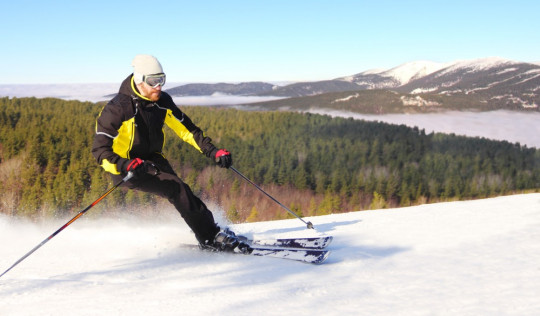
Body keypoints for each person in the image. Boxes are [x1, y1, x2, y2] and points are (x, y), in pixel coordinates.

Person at [92, 54, 240, 251]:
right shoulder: (118, 109)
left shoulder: (162, 101)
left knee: (182, 191)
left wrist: (213, 151)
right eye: (154, 81)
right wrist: (124, 165)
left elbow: (187, 130)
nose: (159, 86)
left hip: (152, 160)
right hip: (128, 168)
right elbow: (99, 151)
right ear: (139, 81)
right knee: (177, 189)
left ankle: (210, 230)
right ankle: (210, 238)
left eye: (162, 79)